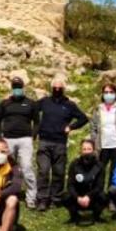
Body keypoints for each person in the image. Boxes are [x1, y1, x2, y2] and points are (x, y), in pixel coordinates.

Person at [34, 77, 88, 211]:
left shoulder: (69, 105)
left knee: (59, 172)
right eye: (55, 87)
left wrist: (72, 127)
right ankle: (42, 199)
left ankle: (55, 198)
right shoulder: (45, 102)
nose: (57, 89)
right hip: (44, 141)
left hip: (60, 143)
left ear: (64, 89)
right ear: (51, 88)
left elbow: (83, 118)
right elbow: (31, 109)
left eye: (60, 88)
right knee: (43, 171)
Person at [0, 76, 39, 209]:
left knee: (26, 167)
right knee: (6, 168)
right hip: (8, 140)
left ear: (23, 87)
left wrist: (33, 135)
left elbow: (37, 121)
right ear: (12, 88)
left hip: (25, 140)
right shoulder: (5, 103)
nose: (17, 89)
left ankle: (31, 197)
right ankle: (7, 194)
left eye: (19, 87)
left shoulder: (31, 103)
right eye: (15, 87)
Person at [63, 139, 106, 223]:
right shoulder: (74, 164)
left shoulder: (99, 165)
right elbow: (70, 185)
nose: (87, 152)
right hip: (78, 197)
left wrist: (88, 197)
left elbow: (99, 186)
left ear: (93, 150)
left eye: (89, 149)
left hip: (92, 198)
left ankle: (96, 216)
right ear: (81, 150)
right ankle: (74, 217)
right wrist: (78, 197)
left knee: (104, 196)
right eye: (84, 149)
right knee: (65, 196)